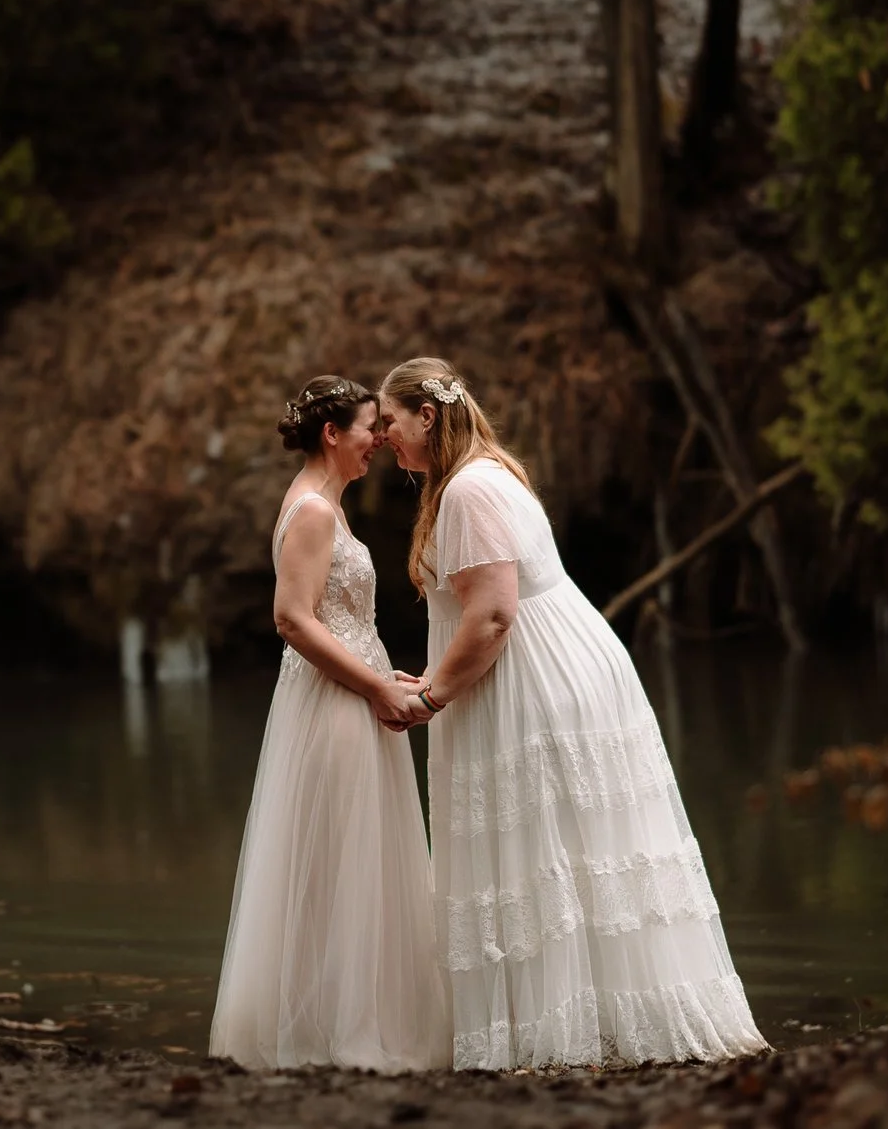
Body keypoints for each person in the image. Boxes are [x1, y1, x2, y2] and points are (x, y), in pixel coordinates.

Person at [377, 357, 766, 1070]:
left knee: (550, 850)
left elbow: (493, 616)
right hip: (565, 661)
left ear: (426, 416)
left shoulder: (468, 489)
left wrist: (431, 696)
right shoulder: (492, 472)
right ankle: (601, 1030)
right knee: (577, 849)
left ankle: (567, 1039)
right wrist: (434, 674)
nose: (383, 438)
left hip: (536, 675)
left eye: (391, 422)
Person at [208, 375, 452, 1071]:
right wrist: (375, 682)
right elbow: (292, 617)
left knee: (357, 859)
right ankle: (335, 1033)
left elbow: (343, 618)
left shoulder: (327, 507)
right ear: (332, 434)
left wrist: (389, 672)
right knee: (340, 863)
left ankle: (347, 1018)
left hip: (357, 692)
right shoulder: (313, 511)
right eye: (371, 426)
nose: (380, 439)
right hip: (335, 702)